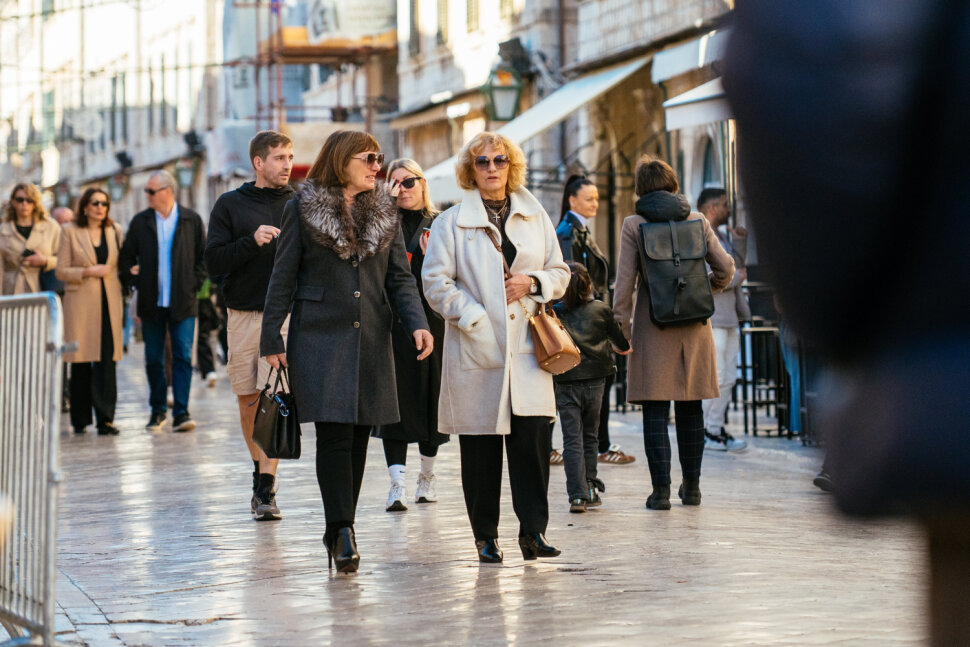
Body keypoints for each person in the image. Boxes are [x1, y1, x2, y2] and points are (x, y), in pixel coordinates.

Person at [260, 131, 432, 574]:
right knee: (335, 435)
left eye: (379, 159)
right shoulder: (301, 207)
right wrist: (271, 336)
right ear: (342, 160)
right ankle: (341, 531)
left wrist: (417, 322)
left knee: (358, 438)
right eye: (369, 158)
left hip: (372, 334)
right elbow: (283, 275)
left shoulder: (386, 210)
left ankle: (342, 527)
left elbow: (399, 277)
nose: (377, 167)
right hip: (320, 335)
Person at [422, 131, 569, 563]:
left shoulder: (535, 216)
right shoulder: (450, 223)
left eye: (499, 160)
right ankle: (485, 536)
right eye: (482, 161)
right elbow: (435, 283)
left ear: (511, 166)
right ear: (471, 169)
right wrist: (473, 317)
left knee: (533, 446)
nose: (491, 168)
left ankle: (533, 532)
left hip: (528, 349)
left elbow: (560, 271)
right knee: (480, 451)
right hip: (478, 346)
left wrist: (532, 282)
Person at [612, 156, 734, 510]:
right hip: (694, 326)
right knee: (691, 407)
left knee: (655, 408)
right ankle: (692, 489)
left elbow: (624, 286)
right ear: (673, 184)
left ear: (640, 189)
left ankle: (660, 492)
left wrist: (621, 330)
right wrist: (706, 288)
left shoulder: (634, 224)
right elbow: (726, 268)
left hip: (653, 325)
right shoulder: (697, 219)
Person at [205, 129, 296, 521]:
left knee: (274, 399)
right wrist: (251, 241)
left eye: (290, 156)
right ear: (259, 162)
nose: (288, 164)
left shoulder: (299, 203)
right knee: (248, 399)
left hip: (286, 317)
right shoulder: (230, 205)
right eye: (279, 158)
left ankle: (266, 487)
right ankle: (260, 473)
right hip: (243, 315)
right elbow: (213, 261)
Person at [375, 158, 449, 512]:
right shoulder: (381, 223)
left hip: (433, 322)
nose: (403, 189)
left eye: (409, 182)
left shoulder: (440, 223)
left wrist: (433, 257)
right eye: (395, 183)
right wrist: (383, 209)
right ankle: (397, 484)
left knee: (431, 400)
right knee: (395, 403)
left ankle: (427, 476)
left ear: (423, 184)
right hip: (391, 324)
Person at [555, 174, 635, 466]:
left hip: (587, 317)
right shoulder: (568, 232)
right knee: (590, 381)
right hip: (582, 320)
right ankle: (597, 447)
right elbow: (571, 276)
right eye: (589, 198)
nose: (595, 204)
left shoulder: (580, 230)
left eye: (597, 198)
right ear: (572, 200)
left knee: (597, 381)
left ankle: (599, 444)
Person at [119, 170, 206, 432]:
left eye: (151, 191)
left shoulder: (191, 220)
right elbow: (125, 259)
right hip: (151, 302)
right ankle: (157, 410)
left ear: (168, 191)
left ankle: (181, 412)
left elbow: (203, 259)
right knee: (153, 359)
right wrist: (135, 279)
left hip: (183, 301)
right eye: (146, 190)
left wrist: (193, 284)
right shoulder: (140, 222)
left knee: (183, 356)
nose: (147, 195)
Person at [553, 262, 630, 513]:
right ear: (588, 285)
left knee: (571, 440)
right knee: (590, 437)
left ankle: (576, 496)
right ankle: (590, 488)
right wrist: (622, 346)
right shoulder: (601, 310)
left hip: (566, 380)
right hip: (596, 381)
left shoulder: (555, 312)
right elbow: (620, 343)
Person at [56, 188, 124, 435]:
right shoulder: (69, 231)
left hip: (109, 302)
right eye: (95, 203)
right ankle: (80, 418)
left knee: (107, 360)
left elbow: (120, 264)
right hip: (80, 304)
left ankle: (106, 419)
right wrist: (87, 272)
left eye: (104, 203)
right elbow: (61, 271)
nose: (100, 208)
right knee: (81, 361)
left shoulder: (114, 230)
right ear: (85, 206)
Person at [697, 188, 750, 452]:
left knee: (728, 377)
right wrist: (736, 277)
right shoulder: (699, 234)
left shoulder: (721, 236)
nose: (728, 208)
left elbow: (736, 266)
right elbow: (708, 277)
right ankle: (704, 431)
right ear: (711, 207)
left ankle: (715, 428)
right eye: (724, 204)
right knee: (715, 377)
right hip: (713, 318)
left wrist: (739, 242)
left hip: (730, 317)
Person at [1, 183, 61, 296]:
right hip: (10, 290)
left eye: (29, 200)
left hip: (43, 288)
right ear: (13, 202)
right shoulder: (3, 230)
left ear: (35, 203)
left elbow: (64, 259)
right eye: (20, 200)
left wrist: (45, 261)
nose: (24, 204)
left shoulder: (51, 227)